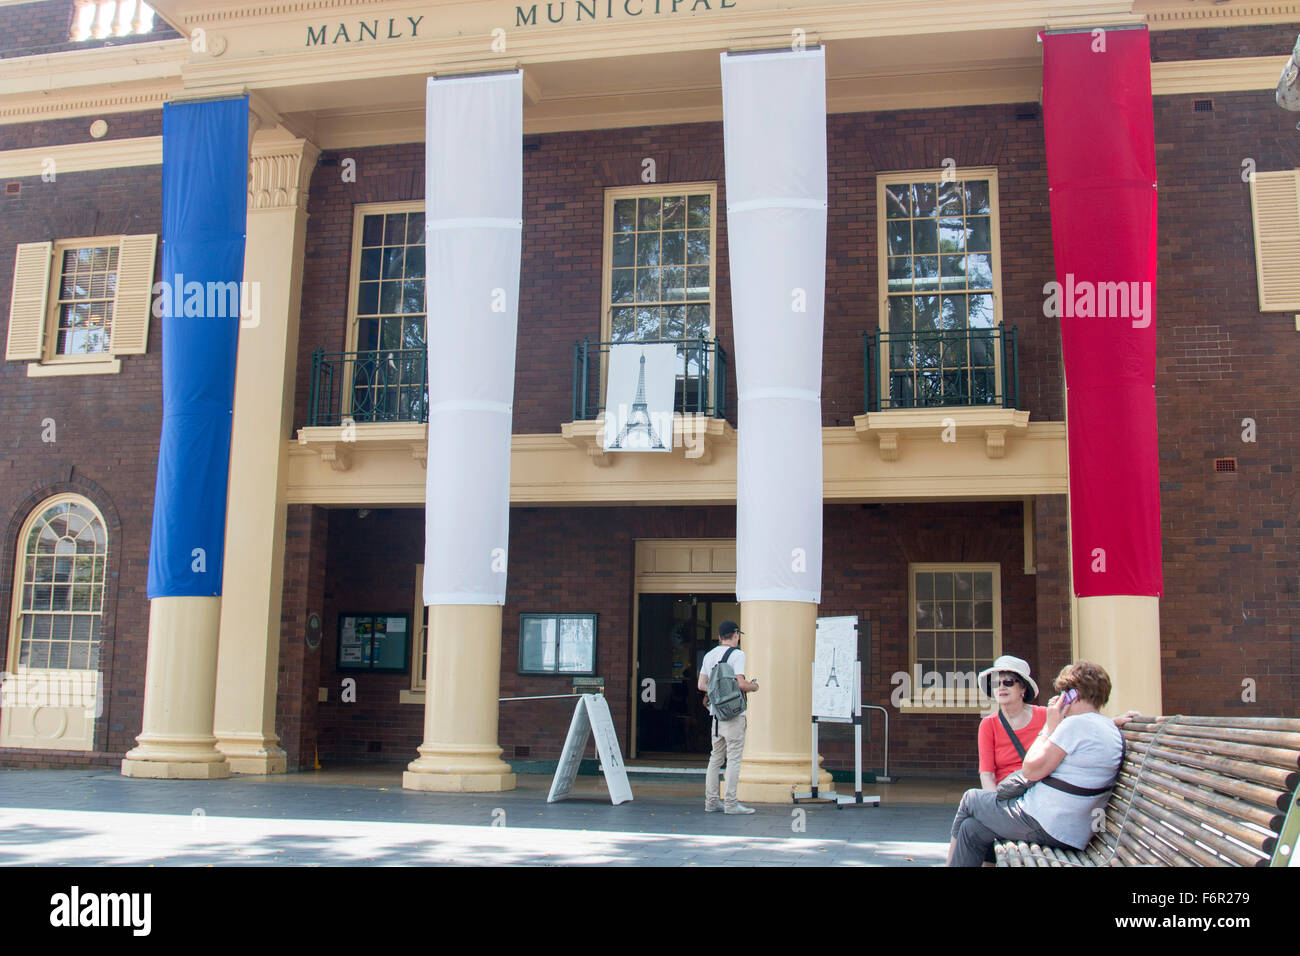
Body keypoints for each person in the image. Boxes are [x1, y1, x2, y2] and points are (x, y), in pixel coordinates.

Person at [947, 660, 1125, 867]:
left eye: (1064, 693)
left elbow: (1029, 769)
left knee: (971, 799)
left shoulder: (1074, 725)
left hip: (1047, 824)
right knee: (972, 829)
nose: (1060, 699)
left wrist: (1048, 729)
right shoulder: (1101, 726)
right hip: (1067, 825)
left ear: (1073, 694)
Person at [698, 620, 760, 814]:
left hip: (716, 715)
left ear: (719, 637)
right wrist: (754, 686)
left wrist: (717, 694)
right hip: (734, 715)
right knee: (733, 759)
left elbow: (701, 685)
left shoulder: (709, 655)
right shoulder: (737, 654)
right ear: (735, 635)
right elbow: (741, 684)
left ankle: (711, 802)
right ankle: (731, 803)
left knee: (715, 758)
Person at [976, 655, 1045, 790]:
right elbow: (986, 775)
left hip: (1041, 791)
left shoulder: (1046, 716)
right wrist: (995, 805)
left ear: (1023, 688)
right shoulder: (988, 724)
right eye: (996, 683)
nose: (1001, 687)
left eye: (1008, 682)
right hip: (1007, 795)